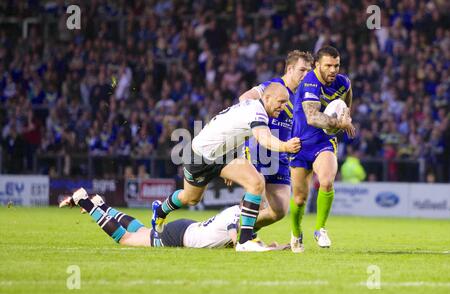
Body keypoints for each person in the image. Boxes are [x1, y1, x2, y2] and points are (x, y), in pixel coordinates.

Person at [152, 83, 301, 252]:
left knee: (256, 182)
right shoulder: (257, 111)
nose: (283, 107)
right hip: (200, 155)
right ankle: (160, 210)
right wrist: (286, 146)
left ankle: (245, 241)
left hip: (223, 155)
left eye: (286, 103)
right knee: (190, 198)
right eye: (280, 102)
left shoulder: (253, 108)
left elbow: (236, 133)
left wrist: (237, 161)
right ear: (266, 98)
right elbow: (264, 138)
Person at [59, 188, 286, 250]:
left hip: (187, 229)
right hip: (180, 236)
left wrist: (273, 246)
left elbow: (244, 242)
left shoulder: (240, 216)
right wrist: (270, 250)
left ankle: (101, 204)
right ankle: (85, 202)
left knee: (140, 232)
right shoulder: (235, 216)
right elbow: (238, 244)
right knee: (126, 239)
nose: (262, 209)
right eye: (260, 205)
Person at [238, 51, 313, 234]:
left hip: (280, 155)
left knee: (279, 210)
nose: (305, 75)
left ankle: (240, 229)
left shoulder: (302, 95)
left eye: (308, 71)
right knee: (258, 195)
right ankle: (243, 237)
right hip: (259, 149)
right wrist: (256, 128)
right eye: (302, 70)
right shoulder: (273, 86)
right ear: (290, 68)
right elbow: (245, 99)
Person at [290, 46, 356, 251]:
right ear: (317, 65)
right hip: (300, 143)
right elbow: (312, 117)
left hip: (323, 142)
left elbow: (347, 102)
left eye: (336, 65)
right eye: (328, 65)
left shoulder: (343, 82)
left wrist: (346, 116)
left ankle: (320, 228)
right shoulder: (310, 81)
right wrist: (339, 124)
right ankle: (295, 232)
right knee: (300, 198)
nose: (333, 70)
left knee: (326, 181)